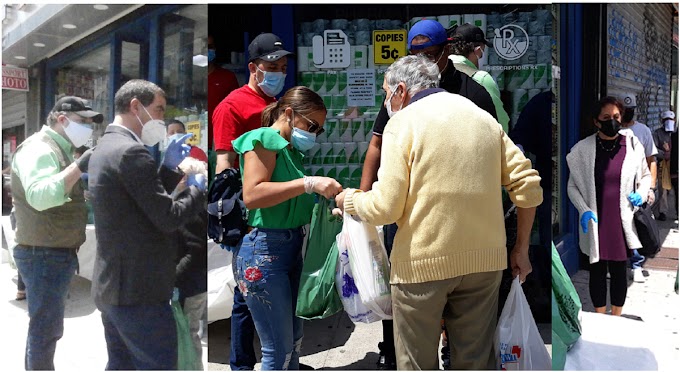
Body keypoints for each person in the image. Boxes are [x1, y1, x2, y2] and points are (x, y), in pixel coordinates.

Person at [336, 55, 542, 370]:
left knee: (416, 363)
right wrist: (521, 249)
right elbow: (528, 186)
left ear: (400, 90)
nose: (385, 101)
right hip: (484, 264)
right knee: (474, 362)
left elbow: (385, 208)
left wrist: (349, 199)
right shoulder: (483, 119)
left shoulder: (401, 124)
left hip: (421, 268)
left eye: (385, 93)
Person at [360, 21, 498, 368]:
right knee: (426, 339)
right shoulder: (398, 104)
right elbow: (375, 144)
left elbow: (499, 163)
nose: (423, 58)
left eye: (430, 52)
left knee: (432, 351)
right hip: (420, 227)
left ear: (447, 50)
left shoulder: (473, 95)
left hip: (452, 237)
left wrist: (354, 202)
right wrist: (364, 197)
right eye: (417, 52)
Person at [88, 79, 207, 370]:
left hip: (115, 288)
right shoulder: (131, 152)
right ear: (135, 106)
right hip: (139, 293)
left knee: (121, 364)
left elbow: (141, 205)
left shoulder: (106, 147)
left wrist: (167, 170)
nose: (161, 119)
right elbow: (168, 217)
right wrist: (197, 188)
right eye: (159, 110)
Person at [232, 86, 342, 370]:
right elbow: (253, 195)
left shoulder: (290, 151)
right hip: (264, 251)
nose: (314, 134)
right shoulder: (264, 139)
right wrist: (308, 183)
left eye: (319, 130)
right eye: (312, 126)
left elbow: (288, 200)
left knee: (292, 344)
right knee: (278, 351)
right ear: (290, 114)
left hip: (289, 249)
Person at [212, 32, 292, 371]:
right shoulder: (232, 106)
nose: (278, 72)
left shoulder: (280, 103)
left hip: (282, 212)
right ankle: (242, 364)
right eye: (271, 66)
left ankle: (282, 358)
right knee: (246, 295)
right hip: (252, 216)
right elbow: (224, 164)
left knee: (277, 292)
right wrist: (233, 216)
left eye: (283, 66)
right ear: (253, 68)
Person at [10, 96, 102, 370]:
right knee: (46, 329)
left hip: (50, 252)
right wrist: (78, 166)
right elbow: (40, 196)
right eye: (83, 122)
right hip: (43, 254)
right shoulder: (39, 149)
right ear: (62, 120)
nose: (89, 128)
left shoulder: (58, 148)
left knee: (44, 328)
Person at [566, 96, 651, 317]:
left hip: (622, 220)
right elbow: (572, 187)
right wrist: (584, 210)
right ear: (596, 121)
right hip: (596, 219)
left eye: (616, 117)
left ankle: (617, 316)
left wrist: (640, 195)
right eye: (606, 118)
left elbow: (645, 176)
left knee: (619, 271)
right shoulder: (582, 150)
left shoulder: (632, 145)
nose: (612, 121)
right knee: (597, 270)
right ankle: (600, 316)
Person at [172, 153, 209, 370]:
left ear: (185, 179)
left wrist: (172, 280)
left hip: (188, 286)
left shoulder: (190, 208)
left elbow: (194, 252)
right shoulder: (197, 203)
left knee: (187, 335)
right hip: (193, 284)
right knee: (189, 333)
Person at [619, 93, 657, 283]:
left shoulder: (643, 131)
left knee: (636, 227)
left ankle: (636, 264)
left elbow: (652, 160)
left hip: (636, 189)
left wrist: (650, 188)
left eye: (630, 111)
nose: (628, 114)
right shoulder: (612, 129)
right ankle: (616, 263)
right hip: (617, 188)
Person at [448, 23, 511, 132]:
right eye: (482, 53)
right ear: (477, 51)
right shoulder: (481, 78)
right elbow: (500, 124)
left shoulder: (437, 72)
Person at [207, 34, 240, 148]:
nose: (207, 51)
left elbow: (236, 110)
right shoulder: (189, 79)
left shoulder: (227, 77)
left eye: (210, 47)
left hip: (220, 142)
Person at [652, 110, 676, 221]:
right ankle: (663, 212)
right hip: (663, 164)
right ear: (662, 121)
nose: (669, 122)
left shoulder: (676, 134)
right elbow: (654, 149)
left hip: (675, 164)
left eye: (670, 120)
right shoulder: (657, 133)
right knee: (663, 190)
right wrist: (665, 154)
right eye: (666, 120)